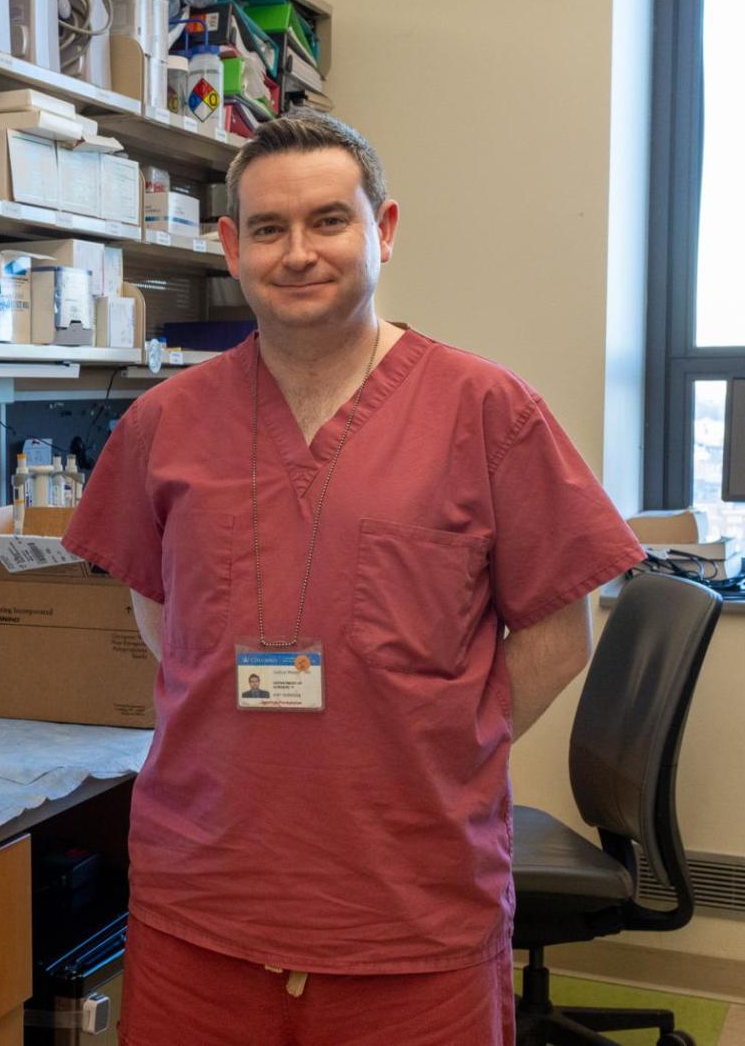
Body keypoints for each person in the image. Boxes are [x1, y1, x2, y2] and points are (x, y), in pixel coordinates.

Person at [62, 110, 645, 1045]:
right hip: (204, 898)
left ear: (385, 229)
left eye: (329, 220)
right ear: (230, 245)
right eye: (268, 228)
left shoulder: (486, 410)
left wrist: (444, 738)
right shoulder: (165, 423)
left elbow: (557, 634)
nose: (299, 253)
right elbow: (160, 612)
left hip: (410, 908)